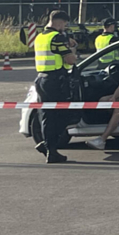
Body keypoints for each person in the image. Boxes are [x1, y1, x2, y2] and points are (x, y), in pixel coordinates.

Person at [33, 10, 77, 163]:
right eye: (64, 24)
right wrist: (72, 47)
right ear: (59, 22)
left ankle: (49, 148)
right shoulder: (57, 37)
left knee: (46, 115)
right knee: (63, 115)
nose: (64, 27)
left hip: (41, 79)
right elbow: (71, 60)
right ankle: (50, 149)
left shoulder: (40, 36)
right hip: (56, 80)